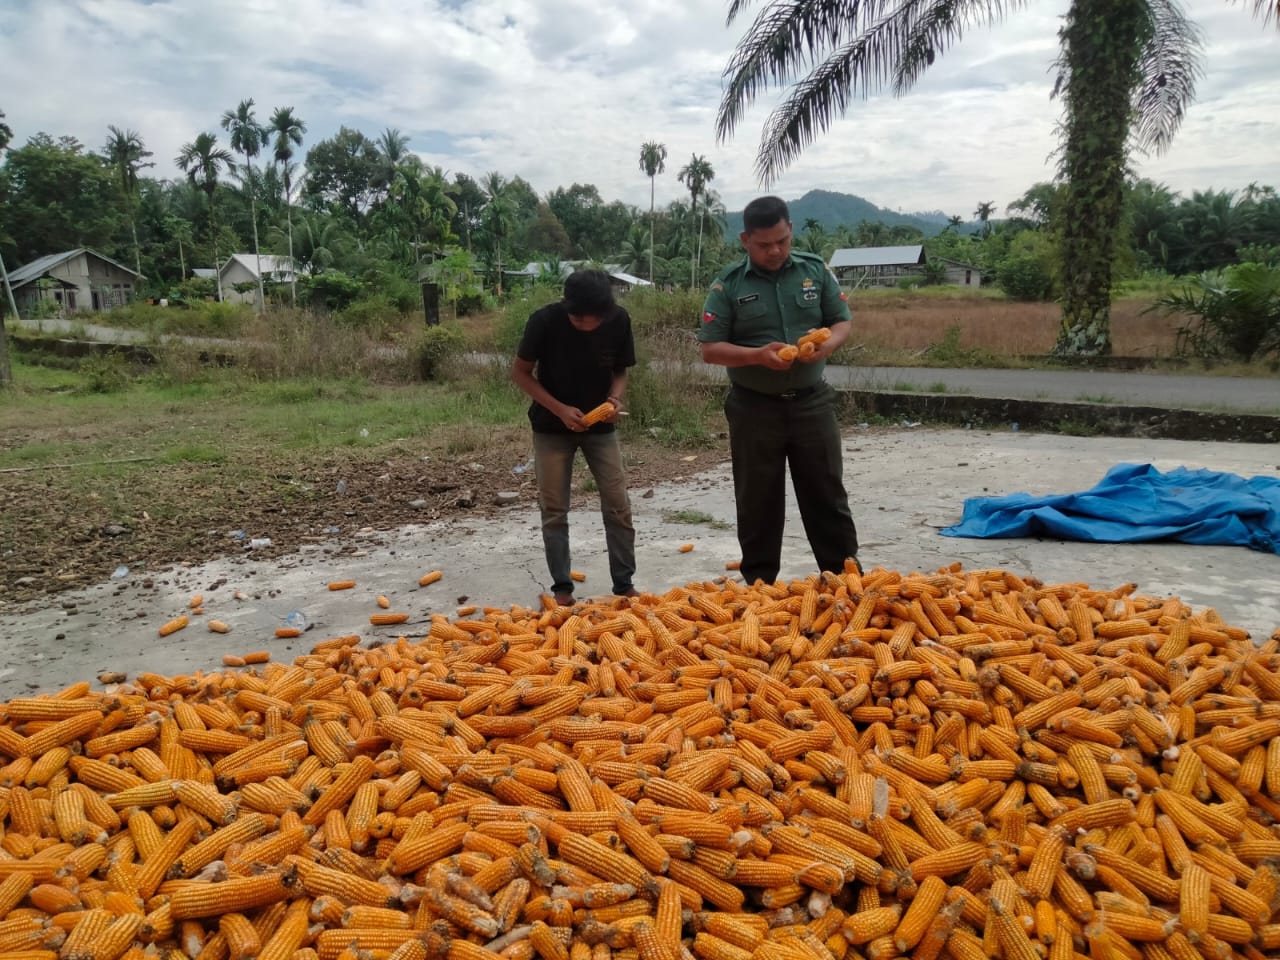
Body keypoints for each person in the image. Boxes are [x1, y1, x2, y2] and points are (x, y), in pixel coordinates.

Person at [697, 195, 861, 586]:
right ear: (745, 240)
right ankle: (759, 588)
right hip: (754, 408)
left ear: (791, 232)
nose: (775, 251)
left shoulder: (814, 270)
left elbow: (841, 322)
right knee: (758, 502)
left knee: (826, 495)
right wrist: (757, 356)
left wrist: (828, 345)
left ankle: (845, 581)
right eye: (764, 244)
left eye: (782, 241)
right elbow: (710, 349)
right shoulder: (728, 285)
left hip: (811, 403)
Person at [512, 269, 639, 606]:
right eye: (577, 317)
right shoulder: (543, 322)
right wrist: (559, 410)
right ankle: (562, 589)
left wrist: (614, 399)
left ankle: (624, 585)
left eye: (591, 318)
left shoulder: (618, 321)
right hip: (551, 428)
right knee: (554, 509)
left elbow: (621, 371)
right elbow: (520, 373)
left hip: (601, 429)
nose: (584, 324)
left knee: (618, 504)